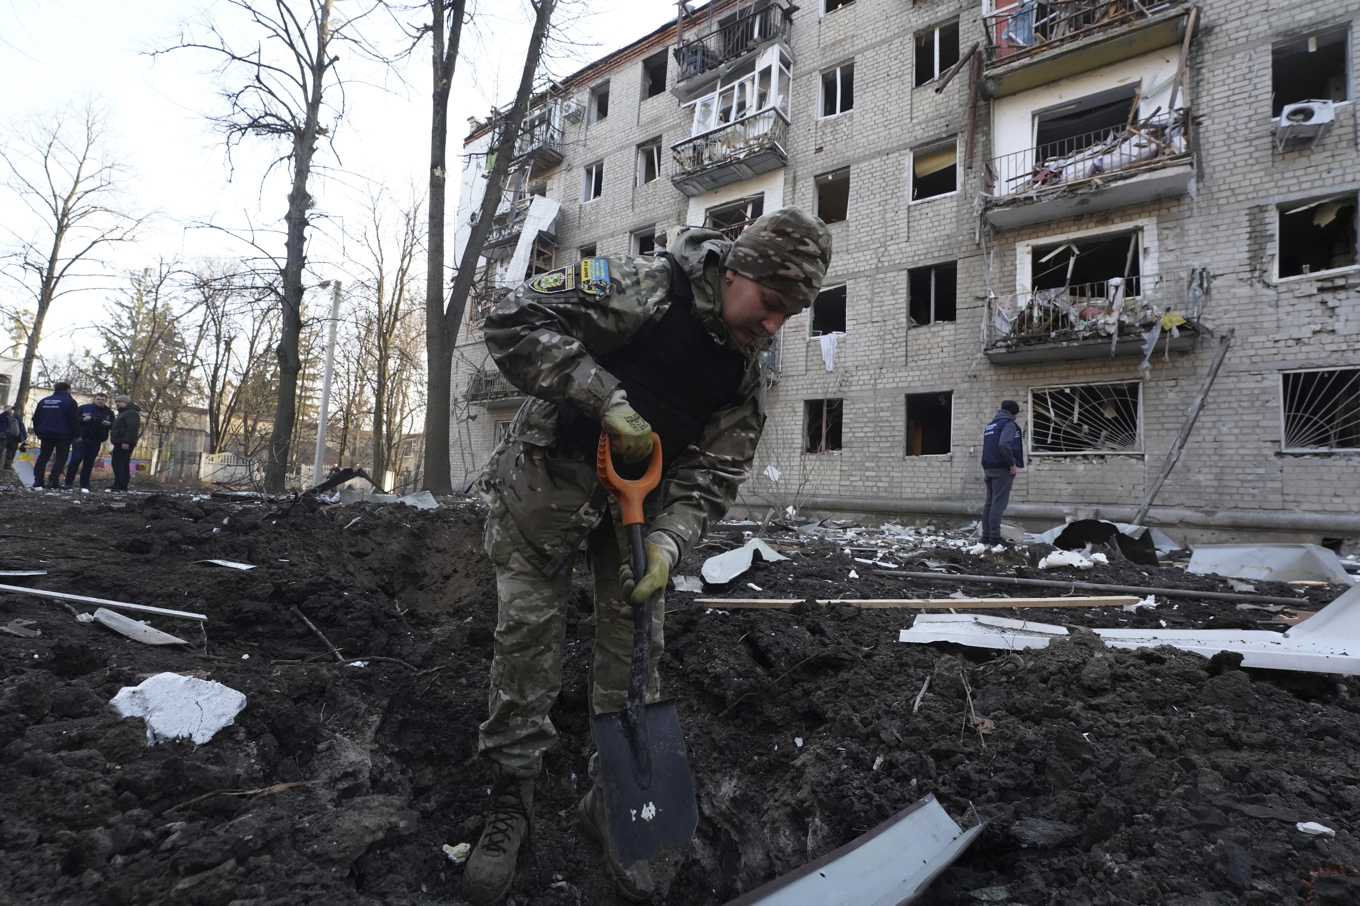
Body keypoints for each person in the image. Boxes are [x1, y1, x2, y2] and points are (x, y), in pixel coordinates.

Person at [464, 209, 832, 906]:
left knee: (638, 644)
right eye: (771, 305)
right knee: (527, 644)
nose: (773, 326)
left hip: (634, 515)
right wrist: (603, 398)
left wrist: (668, 542)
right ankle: (510, 796)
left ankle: (617, 799)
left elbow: (713, 475)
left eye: (792, 315)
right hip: (545, 492)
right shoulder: (644, 286)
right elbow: (512, 319)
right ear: (737, 271)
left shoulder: (743, 375)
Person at [981, 399, 1025, 545]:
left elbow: (989, 447)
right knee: (998, 505)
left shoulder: (991, 425)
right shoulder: (1008, 424)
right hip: (1001, 469)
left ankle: (985, 537)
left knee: (990, 503)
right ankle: (994, 538)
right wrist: (1012, 463)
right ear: (1014, 413)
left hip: (989, 469)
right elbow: (1004, 444)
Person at [30, 382, 81, 489]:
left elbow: (35, 418)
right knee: (61, 457)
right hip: (63, 434)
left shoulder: (44, 401)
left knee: (43, 457)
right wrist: (77, 435)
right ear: (68, 390)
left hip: (45, 434)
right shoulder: (69, 401)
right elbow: (73, 420)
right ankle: (53, 481)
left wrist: (38, 432)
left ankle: (38, 481)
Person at [64, 392, 114, 492]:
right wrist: (83, 419)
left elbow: (114, 425)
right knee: (76, 460)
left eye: (103, 400)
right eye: (98, 399)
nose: (100, 401)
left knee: (89, 462)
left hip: (96, 439)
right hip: (81, 438)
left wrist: (108, 424)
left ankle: (85, 483)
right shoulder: (84, 408)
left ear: (106, 401)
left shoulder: (109, 412)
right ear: (94, 399)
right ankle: (68, 482)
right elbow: (72, 420)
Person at [108, 395, 141, 492]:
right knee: (122, 464)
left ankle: (120, 485)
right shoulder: (125, 413)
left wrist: (126, 442)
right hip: (120, 442)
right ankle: (121, 485)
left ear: (126, 403)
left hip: (123, 443)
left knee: (119, 464)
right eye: (117, 402)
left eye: (120, 402)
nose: (118, 403)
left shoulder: (130, 413)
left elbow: (132, 428)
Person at [0, 404, 25, 470]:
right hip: (3, 437)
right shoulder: (3, 416)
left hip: (14, 438)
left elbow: (21, 427)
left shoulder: (17, 418)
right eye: (9, 409)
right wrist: (6, 412)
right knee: (1, 450)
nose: (11, 410)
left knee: (11, 452)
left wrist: (23, 437)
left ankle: (7, 465)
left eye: (12, 409)